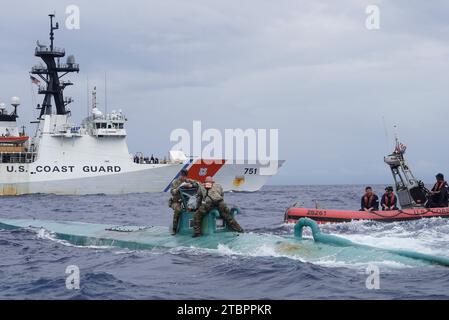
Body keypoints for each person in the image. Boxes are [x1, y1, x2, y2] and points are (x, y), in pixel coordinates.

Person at [169, 169, 199, 235]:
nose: (183, 177)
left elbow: (198, 183)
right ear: (180, 175)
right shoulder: (175, 182)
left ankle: (196, 228)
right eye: (182, 176)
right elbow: (173, 192)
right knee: (178, 209)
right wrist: (180, 187)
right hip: (176, 201)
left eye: (185, 176)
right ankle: (174, 228)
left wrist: (192, 185)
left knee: (197, 207)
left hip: (186, 201)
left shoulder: (188, 181)